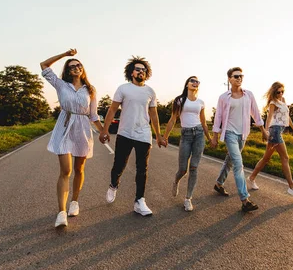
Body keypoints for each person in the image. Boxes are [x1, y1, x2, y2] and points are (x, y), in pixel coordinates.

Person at [40, 49, 105, 228]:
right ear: (68, 71)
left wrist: (102, 132)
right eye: (72, 66)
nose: (76, 68)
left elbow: (93, 115)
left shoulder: (90, 90)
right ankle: (61, 212)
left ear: (82, 69)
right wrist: (65, 55)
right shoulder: (60, 85)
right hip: (64, 126)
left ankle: (74, 202)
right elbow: (44, 65)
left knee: (79, 168)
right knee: (66, 170)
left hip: (82, 128)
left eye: (78, 65)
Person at [99, 56, 166, 216]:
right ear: (131, 72)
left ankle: (139, 201)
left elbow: (154, 115)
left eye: (143, 70)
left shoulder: (150, 92)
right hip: (125, 133)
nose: (141, 71)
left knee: (142, 168)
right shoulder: (123, 88)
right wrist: (105, 130)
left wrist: (158, 135)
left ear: (146, 73)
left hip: (143, 134)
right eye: (137, 69)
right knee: (119, 165)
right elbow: (113, 110)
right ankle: (113, 185)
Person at [210, 67, 268, 212]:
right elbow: (218, 117)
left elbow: (256, 113)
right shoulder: (224, 97)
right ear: (229, 79)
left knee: (229, 160)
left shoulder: (249, 95)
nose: (239, 78)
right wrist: (215, 136)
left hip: (243, 134)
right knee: (238, 163)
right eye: (236, 76)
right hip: (229, 133)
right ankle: (245, 199)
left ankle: (219, 183)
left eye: (241, 76)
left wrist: (263, 131)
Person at [247, 82, 293, 201]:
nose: (280, 94)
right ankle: (292, 188)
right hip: (274, 132)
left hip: (279, 131)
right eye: (278, 92)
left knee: (266, 158)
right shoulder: (273, 103)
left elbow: (287, 117)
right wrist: (265, 131)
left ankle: (251, 178)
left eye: (282, 91)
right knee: (285, 158)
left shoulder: (282, 100)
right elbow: (269, 118)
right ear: (274, 92)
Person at [163, 76, 212, 212]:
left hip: (199, 135)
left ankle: (188, 198)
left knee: (194, 168)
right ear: (187, 85)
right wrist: (165, 137)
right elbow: (173, 119)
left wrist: (210, 138)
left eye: (197, 82)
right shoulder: (180, 100)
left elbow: (203, 122)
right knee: (183, 169)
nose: (195, 83)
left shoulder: (201, 102)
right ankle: (176, 180)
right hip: (186, 136)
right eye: (193, 81)